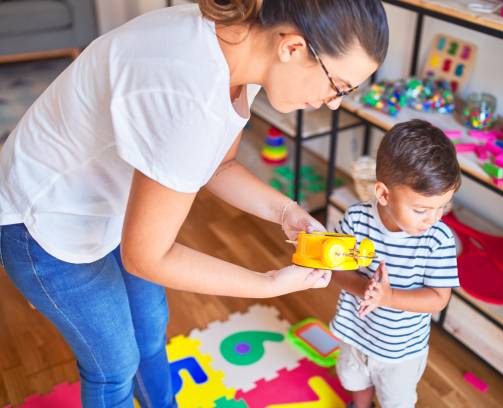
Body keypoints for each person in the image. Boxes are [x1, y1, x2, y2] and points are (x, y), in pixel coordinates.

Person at [0, 1, 389, 406]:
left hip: (111, 205)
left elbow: (220, 165)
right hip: (43, 219)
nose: (334, 102)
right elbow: (147, 257)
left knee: (150, 330)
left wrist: (285, 211)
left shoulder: (246, 49)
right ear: (292, 48)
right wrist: (269, 283)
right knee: (113, 366)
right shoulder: (190, 92)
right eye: (338, 85)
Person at [330, 120, 461, 408]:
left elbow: (439, 298)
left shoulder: (437, 239)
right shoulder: (356, 219)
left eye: (443, 206)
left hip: (399, 351)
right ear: (384, 194)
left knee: (396, 400)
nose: (434, 218)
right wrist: (365, 287)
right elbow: (335, 269)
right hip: (356, 332)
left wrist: (388, 297)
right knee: (355, 381)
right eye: (421, 210)